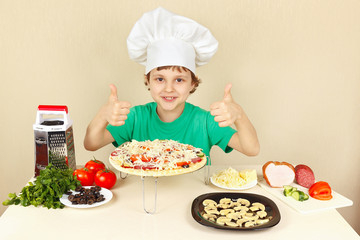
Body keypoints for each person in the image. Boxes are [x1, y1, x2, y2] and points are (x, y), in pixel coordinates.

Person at [84, 7, 259, 163]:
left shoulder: (205, 121)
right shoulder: (135, 118)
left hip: (195, 195)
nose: (169, 88)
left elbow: (251, 149)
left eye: (179, 80)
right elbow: (91, 144)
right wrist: (102, 115)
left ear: (192, 83)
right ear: (148, 81)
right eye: (160, 79)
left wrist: (239, 116)